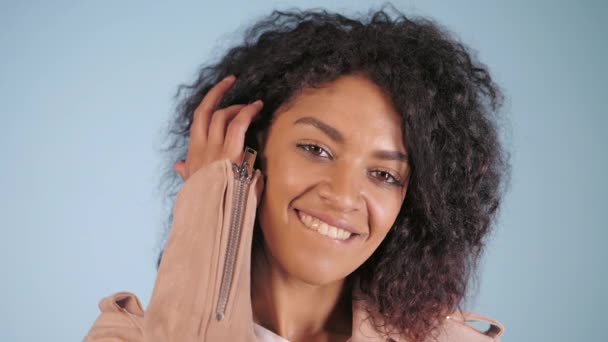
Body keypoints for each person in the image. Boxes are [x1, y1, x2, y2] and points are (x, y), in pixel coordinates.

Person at [86, 7, 507, 342]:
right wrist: (212, 204)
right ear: (250, 152)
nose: (343, 195)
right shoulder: (127, 336)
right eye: (315, 149)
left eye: (384, 174)